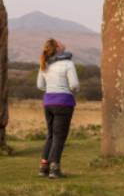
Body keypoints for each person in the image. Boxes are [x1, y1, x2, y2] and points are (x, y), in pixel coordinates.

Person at [36, 38, 79, 179]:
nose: (63, 43)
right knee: (59, 137)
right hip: (64, 102)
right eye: (60, 42)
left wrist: (51, 88)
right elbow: (74, 85)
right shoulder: (68, 63)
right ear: (58, 48)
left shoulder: (45, 64)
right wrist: (71, 90)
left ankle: (44, 167)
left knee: (50, 135)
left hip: (48, 102)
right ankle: (54, 169)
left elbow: (40, 85)